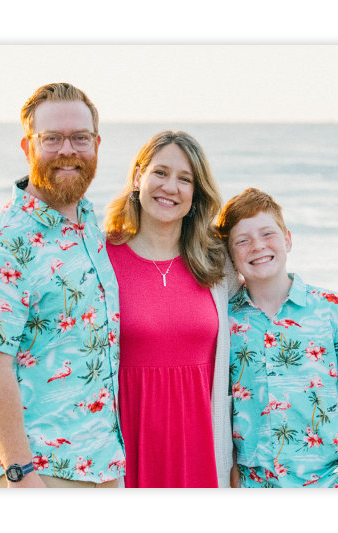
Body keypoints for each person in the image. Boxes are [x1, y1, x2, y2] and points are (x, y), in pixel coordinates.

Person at [0, 83, 124, 488]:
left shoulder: (89, 226)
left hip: (103, 465)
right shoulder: (6, 241)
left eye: (79, 138)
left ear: (97, 144)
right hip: (41, 472)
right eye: (52, 138)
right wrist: (19, 475)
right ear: (28, 146)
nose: (68, 149)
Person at [216, 188, 338, 488]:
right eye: (242, 241)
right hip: (255, 482)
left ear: (288, 240)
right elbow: (222, 407)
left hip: (333, 480)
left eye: (267, 234)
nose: (257, 246)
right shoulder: (224, 321)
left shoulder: (335, 309)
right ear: (232, 256)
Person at [103, 131, 238, 487]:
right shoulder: (101, 258)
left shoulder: (217, 264)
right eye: (160, 173)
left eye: (185, 179)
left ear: (195, 194)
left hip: (204, 447)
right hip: (127, 446)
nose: (170, 187)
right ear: (138, 178)